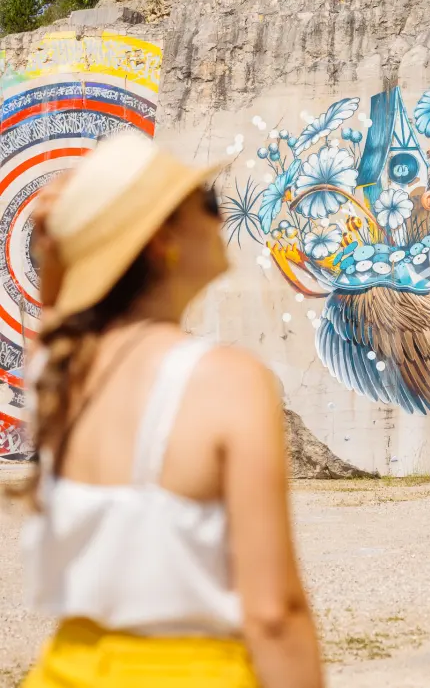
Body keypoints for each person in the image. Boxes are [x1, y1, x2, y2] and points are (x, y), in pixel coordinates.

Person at [17, 130, 324, 688]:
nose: (220, 212)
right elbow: (273, 614)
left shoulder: (57, 373)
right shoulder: (228, 381)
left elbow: (51, 320)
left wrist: (61, 249)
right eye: (204, 202)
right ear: (163, 240)